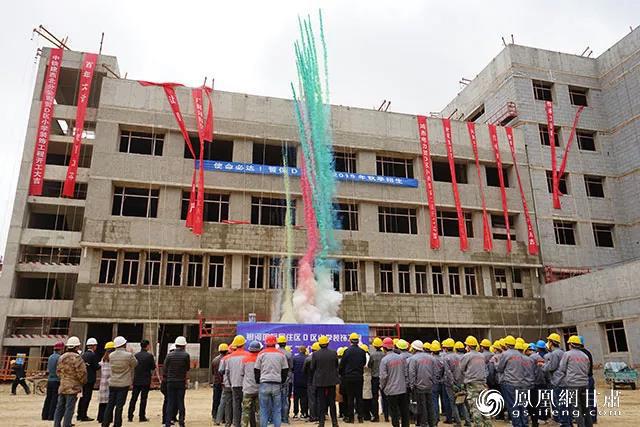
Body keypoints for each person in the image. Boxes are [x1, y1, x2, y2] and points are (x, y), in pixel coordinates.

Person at [556, 336, 593, 427]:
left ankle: (581, 425)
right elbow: (588, 369)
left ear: (571, 344)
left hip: (573, 385)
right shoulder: (585, 356)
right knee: (586, 407)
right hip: (584, 384)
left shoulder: (567, 354)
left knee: (576, 408)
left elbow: (562, 368)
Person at [102, 336, 137, 427]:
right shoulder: (128, 355)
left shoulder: (111, 355)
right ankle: (117, 424)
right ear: (124, 344)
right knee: (119, 406)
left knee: (110, 405)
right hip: (123, 384)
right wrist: (131, 353)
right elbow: (135, 364)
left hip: (113, 382)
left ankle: (105, 423)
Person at [255, 334, 289, 427]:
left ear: (266, 343)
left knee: (264, 409)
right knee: (277, 410)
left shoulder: (261, 354)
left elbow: (256, 369)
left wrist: (258, 381)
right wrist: (282, 381)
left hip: (264, 383)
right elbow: (285, 370)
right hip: (276, 384)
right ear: (275, 343)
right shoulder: (281, 354)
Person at [54, 336, 87, 427]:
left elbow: (58, 371)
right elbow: (82, 373)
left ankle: (56, 425)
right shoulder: (77, 358)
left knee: (59, 408)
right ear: (76, 347)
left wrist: (63, 379)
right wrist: (82, 382)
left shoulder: (61, 357)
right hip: (73, 387)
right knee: (69, 408)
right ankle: (66, 425)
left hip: (63, 386)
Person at [460, 336, 492, 427]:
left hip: (472, 384)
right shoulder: (481, 356)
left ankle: (478, 425)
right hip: (482, 384)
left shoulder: (466, 356)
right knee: (484, 406)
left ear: (469, 346)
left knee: (475, 407)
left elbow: (461, 369)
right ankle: (488, 425)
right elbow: (485, 369)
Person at [496, 335, 528, 427]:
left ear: (506, 345)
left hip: (510, 383)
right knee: (522, 405)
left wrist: (496, 364)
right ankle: (524, 424)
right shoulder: (521, 355)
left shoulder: (505, 354)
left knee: (513, 405)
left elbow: (500, 368)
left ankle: (517, 424)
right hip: (521, 383)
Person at [311, 335, 340, 427]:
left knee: (321, 402)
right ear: (328, 343)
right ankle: (335, 423)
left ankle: (321, 423)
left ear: (319, 344)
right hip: (331, 381)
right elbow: (336, 365)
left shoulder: (315, 354)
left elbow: (312, 367)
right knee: (332, 402)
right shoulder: (333, 353)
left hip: (320, 381)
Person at [221, 335, 250, 427]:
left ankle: (236, 424)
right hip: (246, 385)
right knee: (247, 406)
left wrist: (230, 383)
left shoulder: (229, 357)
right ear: (243, 344)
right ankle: (245, 423)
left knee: (236, 406)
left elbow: (226, 372)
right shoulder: (248, 355)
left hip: (234, 385)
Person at [379, 338, 409, 427]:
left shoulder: (384, 360)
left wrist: (382, 386)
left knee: (394, 412)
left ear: (384, 348)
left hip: (391, 390)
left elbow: (383, 376)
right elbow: (406, 373)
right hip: (402, 389)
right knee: (404, 411)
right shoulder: (401, 358)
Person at [407, 340, 436, 427]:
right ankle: (432, 423)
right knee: (430, 405)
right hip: (429, 385)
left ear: (414, 348)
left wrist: (412, 386)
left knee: (421, 406)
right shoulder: (431, 358)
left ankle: (423, 424)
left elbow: (412, 373)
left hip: (418, 387)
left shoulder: (413, 359)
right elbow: (435, 372)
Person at [164, 336, 191, 427]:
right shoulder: (186, 355)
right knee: (180, 402)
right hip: (180, 381)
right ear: (184, 345)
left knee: (170, 402)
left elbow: (165, 368)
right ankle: (181, 422)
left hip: (170, 381)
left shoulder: (169, 355)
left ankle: (168, 422)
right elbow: (187, 368)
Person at [339, 333, 367, 423]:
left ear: (350, 341)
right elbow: (363, 362)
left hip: (349, 377)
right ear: (358, 341)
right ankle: (360, 417)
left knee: (350, 398)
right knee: (359, 398)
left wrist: (343, 374)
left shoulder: (347, 351)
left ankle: (351, 418)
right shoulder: (362, 351)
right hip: (359, 377)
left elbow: (342, 365)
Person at [539, 333, 566, 425]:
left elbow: (551, 367)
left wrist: (542, 365)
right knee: (564, 403)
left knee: (559, 403)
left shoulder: (554, 354)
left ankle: (563, 422)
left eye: (549, 341)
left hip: (557, 381)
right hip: (564, 380)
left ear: (551, 342)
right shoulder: (563, 352)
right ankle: (566, 421)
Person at [128, 339, 156, 422]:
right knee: (143, 399)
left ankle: (130, 416)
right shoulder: (149, 356)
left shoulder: (136, 355)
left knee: (133, 398)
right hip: (145, 380)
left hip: (137, 379)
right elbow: (153, 367)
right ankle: (141, 416)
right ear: (147, 346)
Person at [77, 337, 100, 422]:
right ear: (93, 346)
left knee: (82, 397)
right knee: (87, 397)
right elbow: (96, 367)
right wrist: (101, 364)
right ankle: (84, 415)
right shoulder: (92, 355)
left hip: (83, 378)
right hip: (90, 379)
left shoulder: (84, 355)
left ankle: (79, 414)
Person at [241, 340, 262, 427]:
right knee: (259, 411)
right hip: (259, 389)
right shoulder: (261, 359)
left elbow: (242, 373)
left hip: (248, 389)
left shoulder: (245, 359)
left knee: (245, 411)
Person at [42, 341, 64, 420]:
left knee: (48, 398)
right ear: (61, 349)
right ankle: (51, 415)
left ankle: (45, 415)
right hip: (56, 380)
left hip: (50, 380)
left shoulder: (50, 357)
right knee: (55, 399)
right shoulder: (60, 358)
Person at [578, 336, 596, 424]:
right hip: (590, 378)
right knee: (591, 399)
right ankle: (593, 418)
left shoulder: (580, 354)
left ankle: (586, 419)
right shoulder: (587, 352)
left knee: (584, 401)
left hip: (584, 379)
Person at [276, 335, 293, 424]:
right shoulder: (289, 354)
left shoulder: (275, 353)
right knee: (285, 399)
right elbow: (291, 367)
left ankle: (276, 418)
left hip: (276, 378)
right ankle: (285, 419)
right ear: (285, 343)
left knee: (275, 399)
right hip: (286, 379)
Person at [97, 342, 115, 423]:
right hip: (110, 382)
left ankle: (100, 418)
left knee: (102, 402)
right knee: (109, 402)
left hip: (102, 382)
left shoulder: (103, 359)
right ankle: (108, 418)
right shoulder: (112, 359)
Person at [212, 343, 230, 422]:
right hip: (225, 383)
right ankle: (223, 417)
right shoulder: (228, 360)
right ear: (227, 351)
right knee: (225, 401)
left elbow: (213, 373)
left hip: (217, 382)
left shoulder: (215, 360)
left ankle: (214, 415)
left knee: (216, 399)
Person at [368, 337, 384, 422]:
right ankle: (386, 416)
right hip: (383, 378)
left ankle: (375, 416)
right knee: (385, 397)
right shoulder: (385, 354)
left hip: (375, 378)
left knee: (375, 398)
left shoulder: (372, 355)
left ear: (374, 346)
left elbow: (369, 365)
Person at [304, 342, 320, 423]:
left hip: (310, 381)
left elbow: (304, 371)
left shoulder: (308, 359)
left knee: (311, 400)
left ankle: (313, 416)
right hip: (320, 381)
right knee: (319, 399)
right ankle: (319, 416)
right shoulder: (321, 359)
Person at [292, 345, 308, 419]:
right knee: (304, 398)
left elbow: (292, 369)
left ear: (299, 350)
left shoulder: (295, 358)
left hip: (296, 380)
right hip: (305, 381)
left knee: (296, 398)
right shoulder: (307, 358)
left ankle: (295, 413)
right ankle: (303, 412)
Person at [360, 344, 373, 421]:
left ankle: (366, 414)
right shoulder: (368, 356)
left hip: (365, 377)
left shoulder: (365, 356)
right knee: (367, 396)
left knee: (365, 396)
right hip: (367, 377)